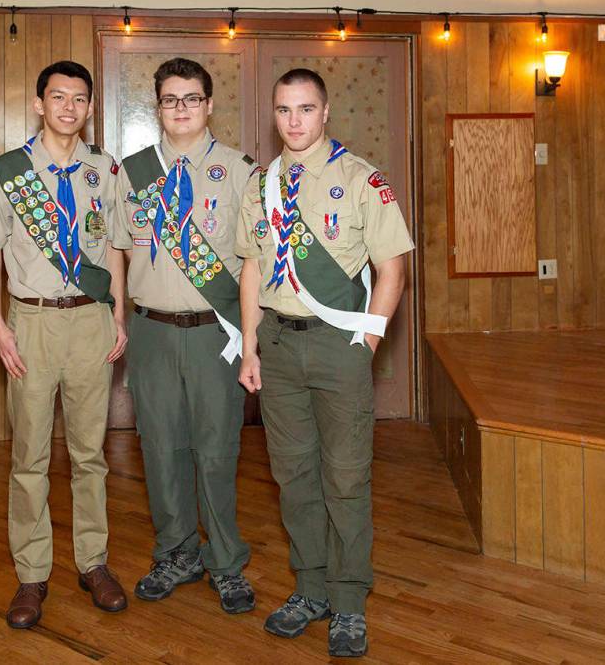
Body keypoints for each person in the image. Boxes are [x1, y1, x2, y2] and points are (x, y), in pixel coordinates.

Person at [235, 68, 414, 658]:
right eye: (284, 110)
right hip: (279, 348)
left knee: (345, 477)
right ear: (274, 113)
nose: (294, 121)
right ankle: (309, 588)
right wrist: (251, 347)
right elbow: (253, 267)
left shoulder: (362, 179)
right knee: (293, 477)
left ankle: (348, 600)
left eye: (305, 109)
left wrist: (366, 343)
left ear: (326, 110)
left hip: (339, 347)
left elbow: (392, 271)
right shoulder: (261, 184)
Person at [0, 60, 129, 629]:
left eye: (79, 99)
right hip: (30, 324)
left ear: (88, 107)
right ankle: (32, 574)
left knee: (90, 455)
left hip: (90, 322)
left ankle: (93, 563)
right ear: (39, 103)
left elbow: (115, 250)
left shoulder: (104, 170)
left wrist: (119, 315)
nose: (68, 108)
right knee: (30, 457)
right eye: (58, 97)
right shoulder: (8, 171)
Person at [110, 57, 257, 614]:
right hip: (151, 331)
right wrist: (120, 315)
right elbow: (119, 251)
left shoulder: (241, 172)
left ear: (209, 104)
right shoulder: (134, 172)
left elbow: (252, 261)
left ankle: (225, 560)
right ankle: (176, 551)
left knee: (217, 451)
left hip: (214, 333)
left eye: (191, 98)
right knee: (161, 448)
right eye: (170, 100)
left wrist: (251, 335)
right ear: (158, 106)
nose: (181, 109)